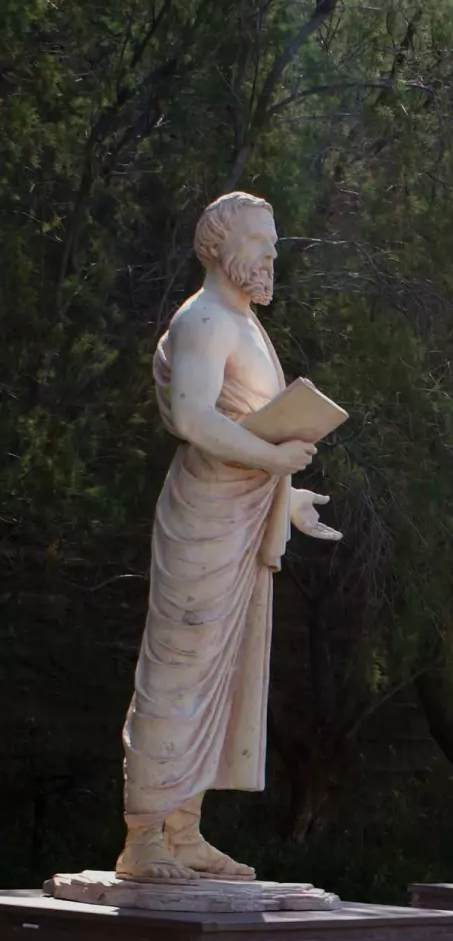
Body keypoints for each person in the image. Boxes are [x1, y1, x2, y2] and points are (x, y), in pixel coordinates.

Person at [118, 191, 341, 883]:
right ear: (222, 246)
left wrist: (287, 494)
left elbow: (245, 423)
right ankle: (145, 836)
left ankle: (183, 828)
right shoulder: (206, 319)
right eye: (263, 242)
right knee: (181, 665)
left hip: (245, 514)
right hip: (205, 517)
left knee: (220, 676)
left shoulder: (246, 324)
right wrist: (274, 460)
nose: (274, 255)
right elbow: (192, 417)